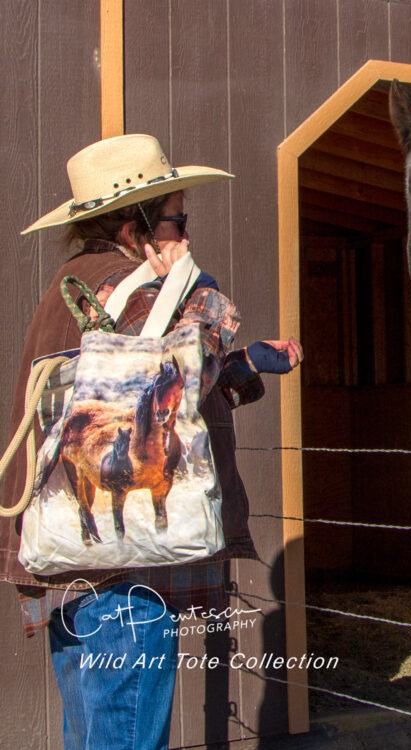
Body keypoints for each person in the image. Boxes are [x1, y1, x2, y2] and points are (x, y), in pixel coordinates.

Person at [0, 134, 302, 750]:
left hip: (78, 567)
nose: (184, 235)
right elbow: (182, 376)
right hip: (125, 575)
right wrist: (194, 285)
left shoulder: (75, 285)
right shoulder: (132, 290)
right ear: (137, 225)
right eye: (176, 219)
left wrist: (246, 365)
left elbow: (148, 399)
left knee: (91, 735)